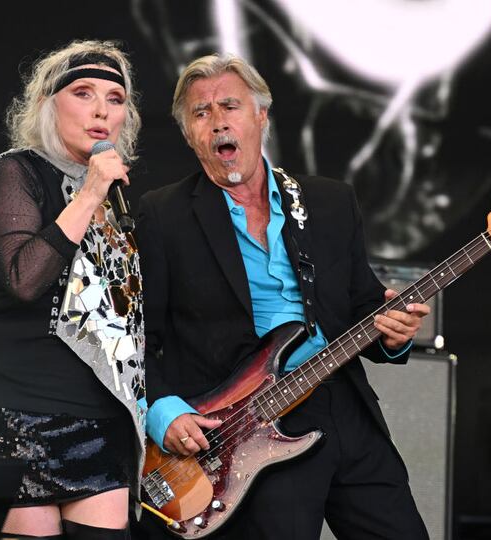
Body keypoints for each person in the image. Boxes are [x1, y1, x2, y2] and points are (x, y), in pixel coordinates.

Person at [134, 53, 431, 539]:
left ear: (260, 116)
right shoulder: (163, 215)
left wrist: (392, 334)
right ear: (188, 133)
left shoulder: (330, 201)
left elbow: (364, 305)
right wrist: (162, 410)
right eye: (200, 113)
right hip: (248, 423)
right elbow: (138, 336)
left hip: (344, 402)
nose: (217, 123)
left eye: (229, 105)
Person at [0, 39, 145, 540]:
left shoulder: (115, 203)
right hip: (19, 406)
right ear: (47, 102)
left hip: (99, 410)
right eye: (84, 93)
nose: (102, 110)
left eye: (116, 98)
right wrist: (88, 194)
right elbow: (24, 279)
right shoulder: (15, 172)